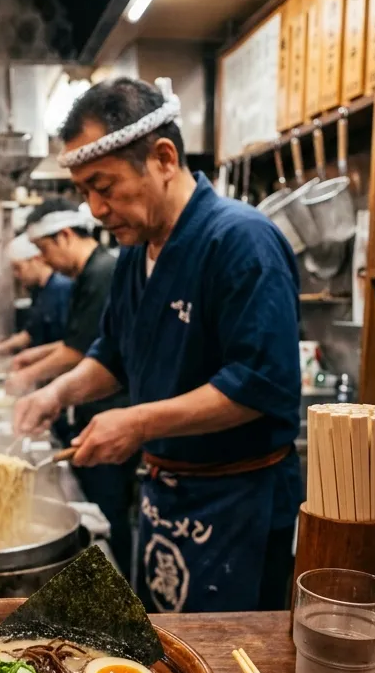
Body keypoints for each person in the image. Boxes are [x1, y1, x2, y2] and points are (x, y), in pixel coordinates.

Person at [15, 78, 302, 614]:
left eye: (104, 186)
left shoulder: (241, 240)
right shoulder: (134, 254)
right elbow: (113, 355)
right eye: (84, 192)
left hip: (237, 503)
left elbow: (259, 386)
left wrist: (138, 423)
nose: (95, 209)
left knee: (227, 659)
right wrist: (55, 394)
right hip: (164, 499)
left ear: (164, 158)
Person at [8, 198, 138, 582]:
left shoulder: (103, 272)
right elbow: (81, 344)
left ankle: (120, 589)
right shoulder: (90, 274)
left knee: (110, 516)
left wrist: (39, 384)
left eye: (44, 249)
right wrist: (48, 387)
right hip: (95, 412)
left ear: (65, 236)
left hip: (111, 417)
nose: (44, 260)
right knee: (106, 511)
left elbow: (80, 352)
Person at [0, 232, 73, 357]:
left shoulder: (61, 288)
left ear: (36, 260)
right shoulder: (39, 291)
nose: (16, 275)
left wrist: (28, 357)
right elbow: (31, 333)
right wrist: (0, 348)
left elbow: (70, 342)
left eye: (18, 268)